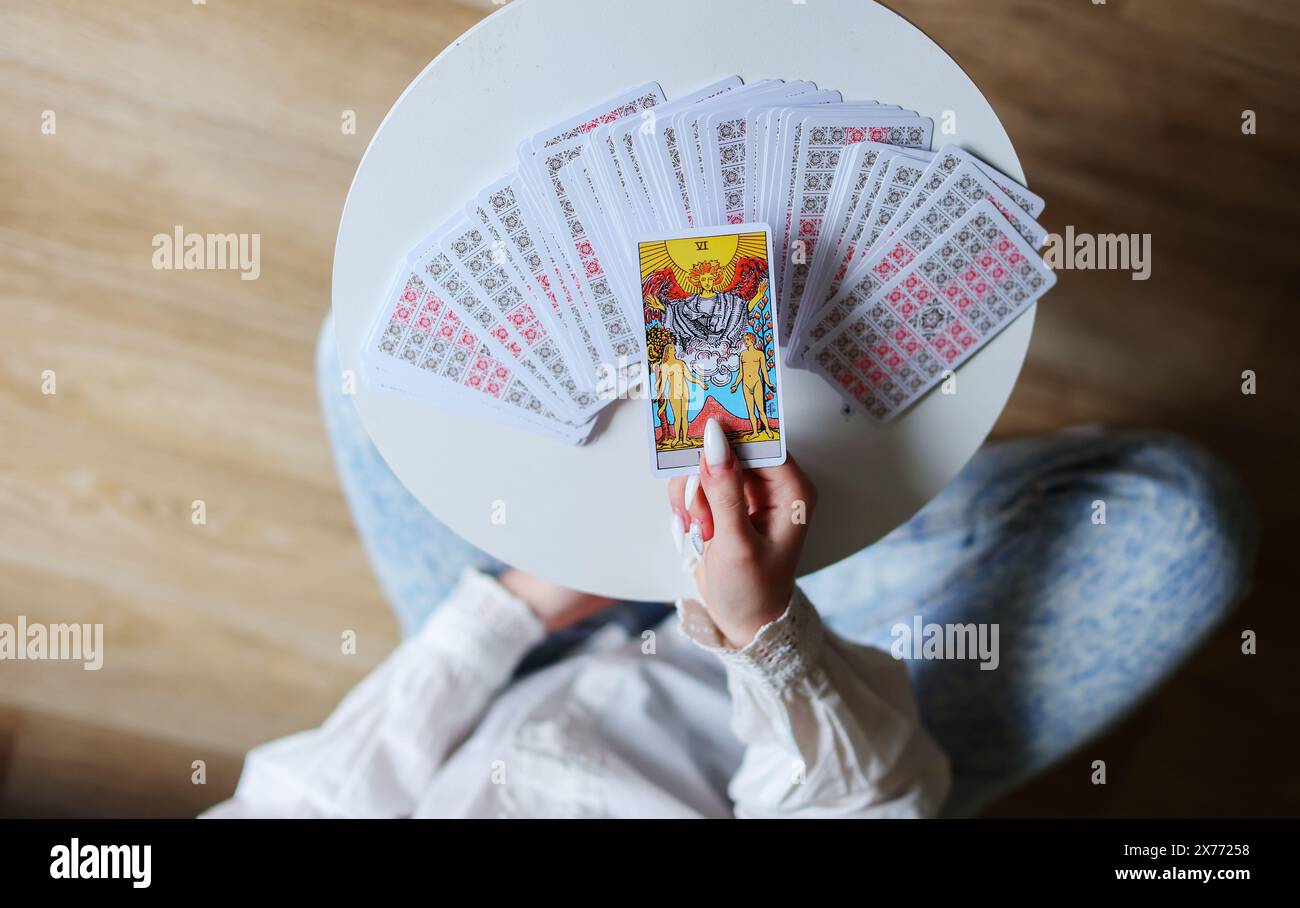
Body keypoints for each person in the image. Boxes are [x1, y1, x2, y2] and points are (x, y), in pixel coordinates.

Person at [204, 319, 1257, 818]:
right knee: (1183, 517)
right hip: (814, 718)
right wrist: (764, 628)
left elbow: (299, 800)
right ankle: (898, 490)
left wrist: (519, 604)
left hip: (524, 661)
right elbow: (867, 800)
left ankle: (864, 484)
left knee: (377, 343)